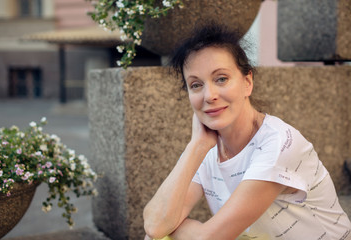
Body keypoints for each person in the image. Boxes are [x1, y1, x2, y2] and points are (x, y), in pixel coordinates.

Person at [143, 23, 351, 240]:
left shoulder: (278, 145)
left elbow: (208, 238)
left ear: (247, 82)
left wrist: (178, 231)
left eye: (221, 79)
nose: (209, 95)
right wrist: (195, 147)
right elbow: (155, 225)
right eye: (196, 85)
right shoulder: (206, 146)